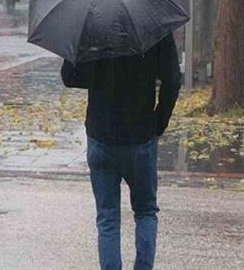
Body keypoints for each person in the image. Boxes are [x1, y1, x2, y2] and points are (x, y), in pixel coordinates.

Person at [61, 33, 181, 270]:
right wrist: (159, 121)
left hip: (101, 133)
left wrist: (96, 70)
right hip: (140, 135)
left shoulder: (94, 25)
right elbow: (173, 79)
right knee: (145, 211)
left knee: (107, 219)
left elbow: (70, 76)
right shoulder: (154, 27)